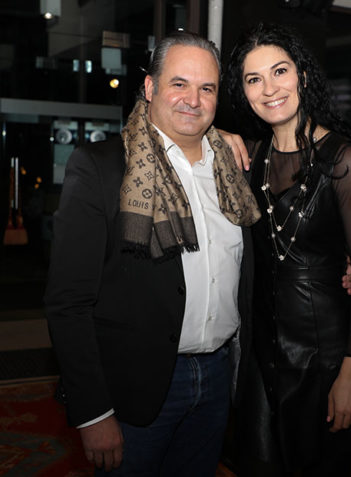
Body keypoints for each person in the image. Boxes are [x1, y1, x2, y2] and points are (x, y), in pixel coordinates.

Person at [43, 31, 262, 476]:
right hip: (135, 387)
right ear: (150, 87)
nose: (193, 100)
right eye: (179, 84)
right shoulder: (101, 167)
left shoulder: (235, 169)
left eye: (206, 88)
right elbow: (68, 301)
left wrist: (341, 261)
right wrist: (93, 411)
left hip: (218, 377)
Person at [224, 22, 351, 476]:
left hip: (326, 356)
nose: (269, 89)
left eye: (280, 71)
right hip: (262, 353)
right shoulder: (249, 157)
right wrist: (219, 134)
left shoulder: (344, 161)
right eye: (254, 79)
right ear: (243, 92)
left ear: (303, 75)